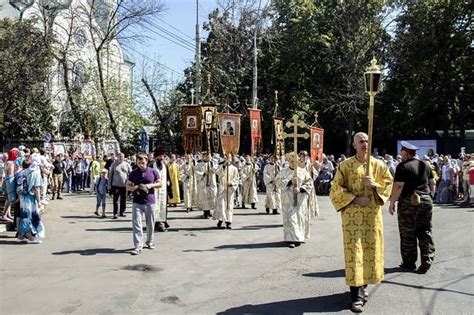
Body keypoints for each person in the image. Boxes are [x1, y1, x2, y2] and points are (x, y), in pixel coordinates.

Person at [329, 132, 393, 313]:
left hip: (372, 218)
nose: (365, 144)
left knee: (370, 252)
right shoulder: (345, 166)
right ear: (354, 145)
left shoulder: (378, 165)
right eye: (361, 141)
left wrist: (374, 185)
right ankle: (356, 296)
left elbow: (388, 183)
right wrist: (355, 199)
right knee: (354, 253)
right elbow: (335, 189)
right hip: (352, 219)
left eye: (367, 141)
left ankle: (363, 286)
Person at [388, 141, 436, 274]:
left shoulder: (403, 166)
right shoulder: (425, 165)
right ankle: (427, 259)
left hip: (409, 201)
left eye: (401, 153)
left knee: (408, 233)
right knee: (425, 231)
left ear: (405, 152)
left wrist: (392, 203)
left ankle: (409, 263)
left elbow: (398, 186)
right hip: (426, 200)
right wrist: (431, 196)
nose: (401, 155)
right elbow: (432, 183)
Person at [275, 152, 313, 248]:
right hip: (288, 200)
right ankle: (290, 239)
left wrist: (300, 189)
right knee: (290, 218)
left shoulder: (303, 171)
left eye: (294, 161)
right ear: (289, 162)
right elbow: (277, 182)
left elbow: (309, 182)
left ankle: (298, 237)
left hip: (300, 200)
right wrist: (288, 182)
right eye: (291, 161)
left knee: (299, 218)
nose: (293, 163)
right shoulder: (283, 172)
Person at [127, 153, 160, 255]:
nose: (141, 164)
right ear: (136, 162)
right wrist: (136, 187)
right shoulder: (133, 173)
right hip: (137, 202)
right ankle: (138, 245)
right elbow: (128, 186)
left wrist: (149, 186)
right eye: (139, 162)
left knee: (150, 224)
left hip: (150, 202)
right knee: (137, 224)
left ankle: (149, 241)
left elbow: (160, 183)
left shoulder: (153, 172)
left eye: (143, 162)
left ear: (147, 162)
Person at [17, 154, 45, 244]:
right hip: (31, 198)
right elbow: (37, 189)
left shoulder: (22, 172)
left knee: (24, 215)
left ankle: (21, 235)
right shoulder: (35, 173)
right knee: (32, 217)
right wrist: (39, 201)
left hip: (22, 197)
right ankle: (30, 237)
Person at [213, 154, 240, 229]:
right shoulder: (221, 166)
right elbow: (217, 173)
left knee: (229, 205)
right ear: (224, 158)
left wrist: (232, 183)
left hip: (230, 189)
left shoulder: (234, 168)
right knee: (221, 205)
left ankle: (228, 222)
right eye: (227, 157)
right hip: (222, 188)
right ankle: (221, 220)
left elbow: (237, 178)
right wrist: (224, 166)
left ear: (231, 159)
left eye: (229, 157)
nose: (228, 159)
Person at [194, 151, 217, 219]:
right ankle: (205, 211)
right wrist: (203, 174)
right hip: (203, 183)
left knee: (211, 196)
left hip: (211, 183)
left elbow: (217, 170)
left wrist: (212, 167)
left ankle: (210, 210)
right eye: (205, 156)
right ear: (203, 156)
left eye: (208, 156)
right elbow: (196, 172)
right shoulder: (199, 164)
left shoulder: (212, 163)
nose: (207, 157)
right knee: (204, 197)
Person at [108, 153, 131, 219]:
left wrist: (130, 183)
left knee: (123, 199)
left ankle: (122, 212)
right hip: (116, 185)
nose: (121, 158)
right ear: (117, 157)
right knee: (115, 200)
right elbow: (110, 175)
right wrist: (109, 185)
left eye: (122, 156)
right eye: (119, 156)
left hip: (124, 185)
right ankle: (115, 213)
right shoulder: (114, 165)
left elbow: (131, 173)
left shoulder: (127, 164)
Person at [151, 150, 169, 232]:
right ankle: (155, 223)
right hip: (154, 190)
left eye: (162, 156)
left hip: (163, 190)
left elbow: (169, 178)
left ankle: (162, 222)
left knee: (162, 206)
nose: (161, 158)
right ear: (156, 157)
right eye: (159, 156)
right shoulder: (151, 166)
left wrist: (170, 190)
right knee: (155, 207)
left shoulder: (165, 166)